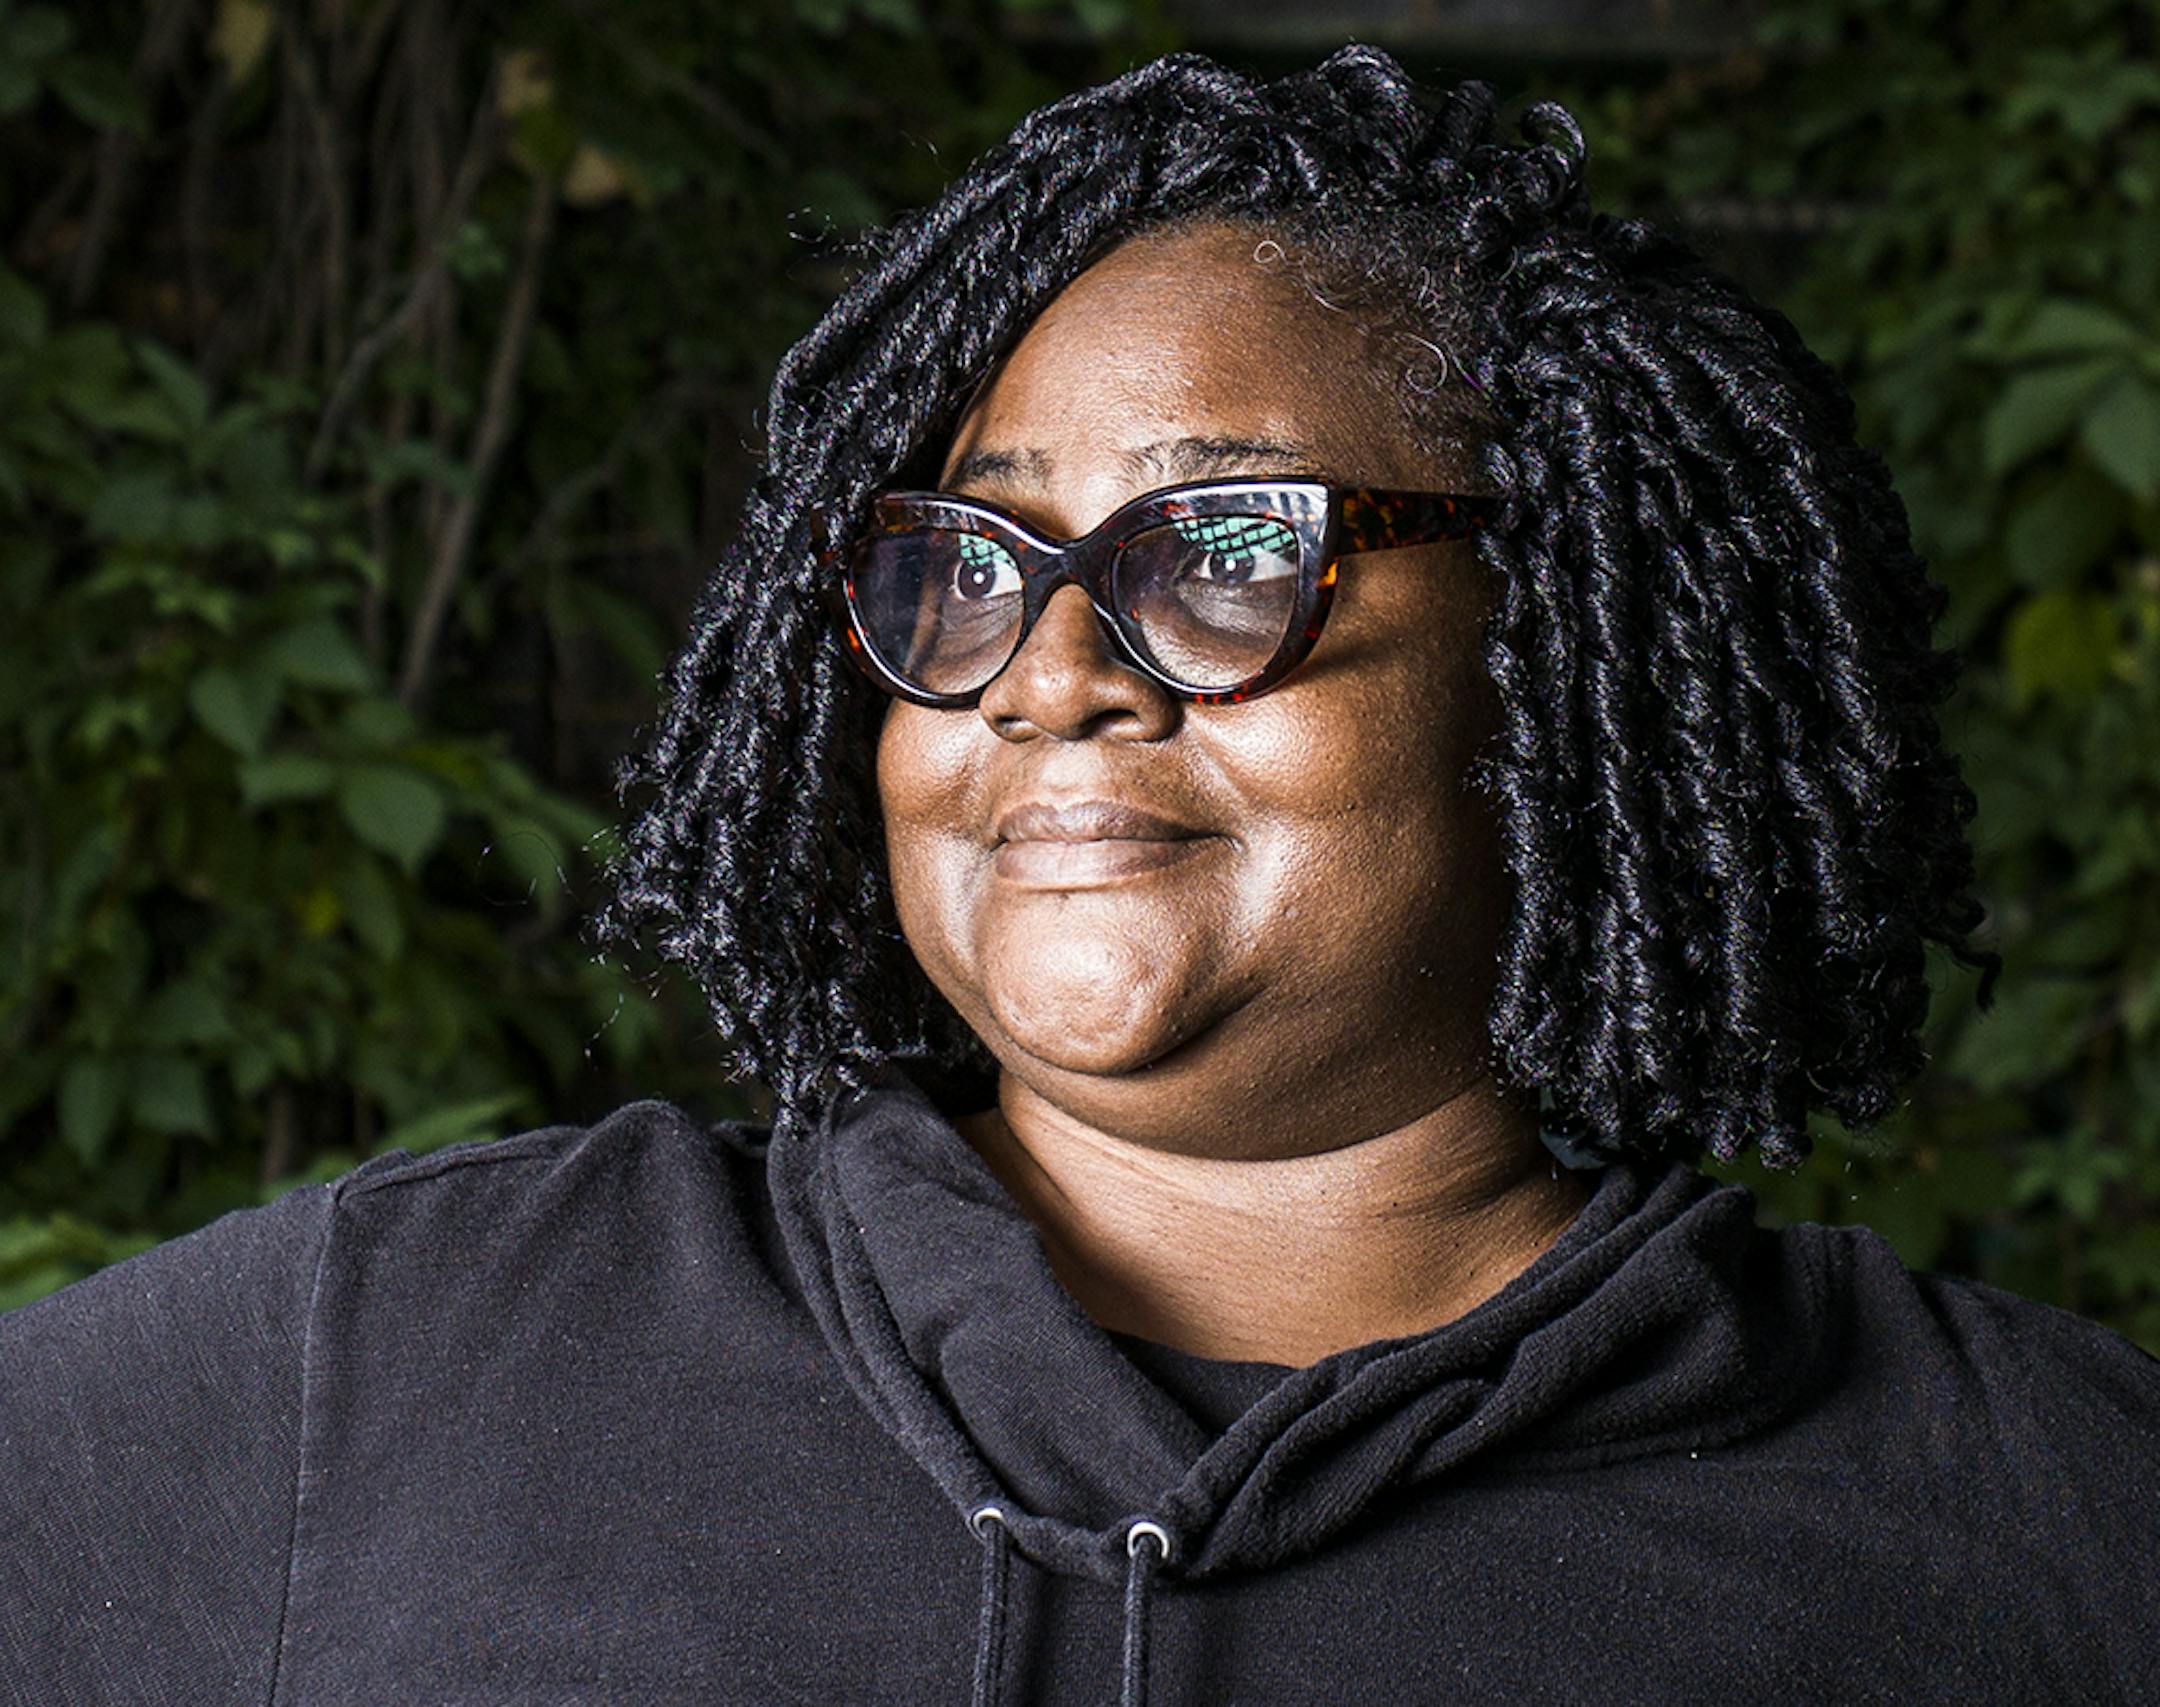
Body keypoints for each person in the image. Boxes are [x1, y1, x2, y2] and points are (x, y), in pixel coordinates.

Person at [4, 46, 2156, 1707]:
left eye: (1221, 558)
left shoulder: (2033, 1511)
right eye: (971, 564)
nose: (1046, 671)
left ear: (1580, 643)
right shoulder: (400, 1348)